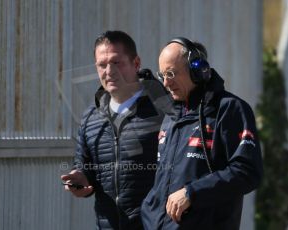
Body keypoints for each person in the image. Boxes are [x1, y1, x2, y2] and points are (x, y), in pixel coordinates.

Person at [141, 37, 263, 229]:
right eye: (162, 75)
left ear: (197, 70)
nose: (165, 83)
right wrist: (149, 211)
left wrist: (192, 193)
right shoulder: (170, 117)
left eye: (171, 74)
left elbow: (247, 172)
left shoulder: (230, 109)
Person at [61, 30, 167, 229]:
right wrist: (81, 178)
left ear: (136, 64)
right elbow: (84, 163)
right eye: (102, 64)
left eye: (116, 62)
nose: (109, 71)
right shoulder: (90, 116)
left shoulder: (164, 109)